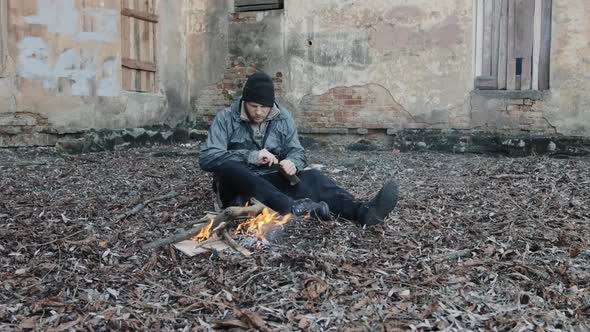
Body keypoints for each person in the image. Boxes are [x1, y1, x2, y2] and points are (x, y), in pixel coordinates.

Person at [199, 71, 399, 225]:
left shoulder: (283, 117)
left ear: (272, 104)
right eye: (253, 106)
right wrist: (251, 156)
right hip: (237, 188)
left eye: (264, 107)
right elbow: (207, 157)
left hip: (272, 183)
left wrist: (292, 162)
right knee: (230, 167)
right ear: (244, 101)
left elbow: (297, 151)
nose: (259, 112)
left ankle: (364, 211)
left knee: (314, 178)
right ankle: (291, 207)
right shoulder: (226, 118)